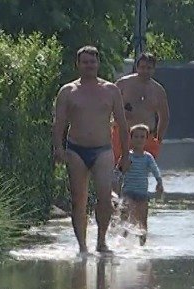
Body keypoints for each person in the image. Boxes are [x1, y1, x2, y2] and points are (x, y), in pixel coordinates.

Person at [52, 46, 130, 254]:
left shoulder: (111, 90)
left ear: (98, 64)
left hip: (103, 149)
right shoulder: (68, 91)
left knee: (105, 198)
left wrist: (126, 155)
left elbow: (122, 124)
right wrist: (58, 147)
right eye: (85, 62)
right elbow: (59, 122)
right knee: (79, 199)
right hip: (76, 149)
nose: (89, 66)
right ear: (78, 64)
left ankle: (101, 241)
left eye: (92, 62)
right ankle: (82, 246)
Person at [112, 52, 170, 163]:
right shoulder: (122, 84)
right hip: (123, 135)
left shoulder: (158, 90)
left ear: (153, 69)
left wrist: (158, 139)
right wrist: (119, 114)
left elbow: (164, 117)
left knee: (140, 173)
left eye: (149, 68)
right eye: (142, 67)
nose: (145, 71)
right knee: (117, 170)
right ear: (137, 67)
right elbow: (108, 106)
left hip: (146, 137)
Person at [120, 124, 164, 246]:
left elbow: (155, 170)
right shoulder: (127, 156)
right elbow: (117, 172)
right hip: (128, 192)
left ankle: (142, 246)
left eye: (142, 137)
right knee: (126, 218)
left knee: (142, 221)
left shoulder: (148, 158)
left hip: (142, 194)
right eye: (136, 137)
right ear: (131, 138)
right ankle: (121, 243)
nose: (139, 139)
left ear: (146, 139)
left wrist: (159, 183)